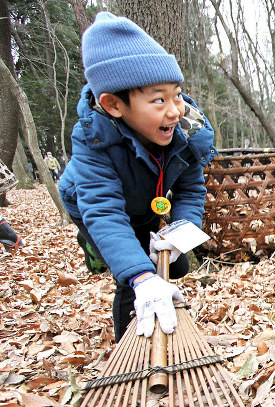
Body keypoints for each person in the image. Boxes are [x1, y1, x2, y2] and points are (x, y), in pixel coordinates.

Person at [59, 12, 217, 342]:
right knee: (133, 277)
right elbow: (103, 211)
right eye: (158, 99)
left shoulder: (184, 127)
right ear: (114, 105)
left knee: (177, 266)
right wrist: (142, 278)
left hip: (146, 203)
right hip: (97, 209)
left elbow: (191, 187)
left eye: (177, 94)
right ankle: (129, 344)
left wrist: (180, 230)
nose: (174, 109)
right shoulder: (93, 141)